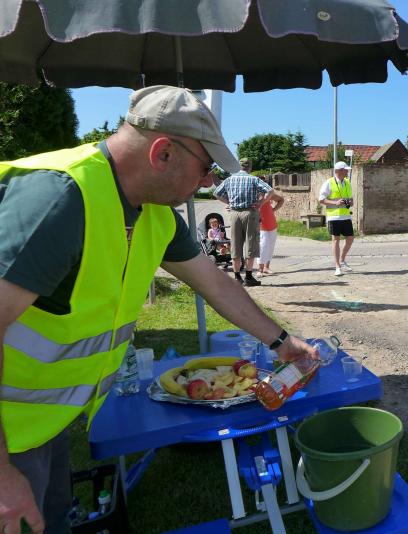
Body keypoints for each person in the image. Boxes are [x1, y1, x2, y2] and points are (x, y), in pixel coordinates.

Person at [0, 85, 317, 534]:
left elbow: (215, 283)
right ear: (163, 153)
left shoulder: (154, 213)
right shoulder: (60, 197)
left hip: (42, 422)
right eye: (205, 168)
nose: (207, 183)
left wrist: (282, 342)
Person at [213, 158, 278, 286]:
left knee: (236, 245)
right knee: (251, 244)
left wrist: (229, 202)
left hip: (234, 214)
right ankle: (248, 277)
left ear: (239, 166)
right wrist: (260, 203)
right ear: (250, 167)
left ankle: (237, 277)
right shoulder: (253, 179)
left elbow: (216, 193)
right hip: (250, 213)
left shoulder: (229, 179)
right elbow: (270, 191)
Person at [319, 161, 355, 276]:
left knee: (350, 238)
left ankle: (342, 260)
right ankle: (337, 266)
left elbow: (351, 199)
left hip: (346, 216)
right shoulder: (329, 183)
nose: (347, 172)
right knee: (336, 240)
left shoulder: (347, 182)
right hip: (334, 216)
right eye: (345, 170)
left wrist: (350, 202)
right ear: (339, 171)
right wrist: (335, 203)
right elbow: (321, 199)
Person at [257, 177, 284, 277]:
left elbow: (281, 200)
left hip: (271, 222)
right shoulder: (252, 194)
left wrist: (273, 210)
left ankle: (266, 267)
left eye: (264, 182)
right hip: (260, 223)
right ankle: (260, 269)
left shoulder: (268, 194)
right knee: (262, 246)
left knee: (270, 246)